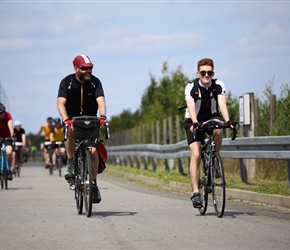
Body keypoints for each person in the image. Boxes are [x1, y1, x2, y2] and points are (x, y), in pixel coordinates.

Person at [184, 58, 236, 208]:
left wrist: (228, 120)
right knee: (196, 154)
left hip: (211, 118)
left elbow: (221, 104)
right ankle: (195, 193)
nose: (206, 75)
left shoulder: (218, 85)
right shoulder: (191, 87)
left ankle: (214, 160)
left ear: (213, 73)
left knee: (219, 129)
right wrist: (195, 122)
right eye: (203, 72)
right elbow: (191, 107)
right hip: (193, 120)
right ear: (198, 73)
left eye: (209, 72)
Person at [57, 54, 107, 203]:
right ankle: (71, 163)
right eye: (84, 68)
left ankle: (93, 183)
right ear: (76, 68)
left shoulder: (95, 82)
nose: (88, 71)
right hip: (72, 119)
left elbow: (101, 100)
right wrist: (66, 119)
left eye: (90, 68)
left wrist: (103, 116)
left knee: (92, 152)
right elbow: (60, 102)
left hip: (90, 120)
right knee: (70, 130)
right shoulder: (67, 82)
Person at [0, 103, 14, 180]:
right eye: (0, 113)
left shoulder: (7, 115)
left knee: (9, 152)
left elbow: (10, 126)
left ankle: (9, 169)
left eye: (3, 112)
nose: (2, 114)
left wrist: (12, 135)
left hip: (7, 137)